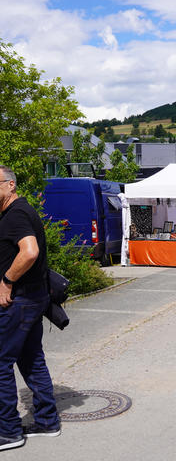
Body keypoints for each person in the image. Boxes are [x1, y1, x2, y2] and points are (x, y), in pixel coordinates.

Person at [0, 165, 61, 451]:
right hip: (33, 299)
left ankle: (9, 431)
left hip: (19, 301)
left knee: (0, 363)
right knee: (31, 359)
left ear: (10, 184)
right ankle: (47, 421)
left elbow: (30, 251)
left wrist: (6, 281)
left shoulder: (16, 214)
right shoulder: (17, 212)